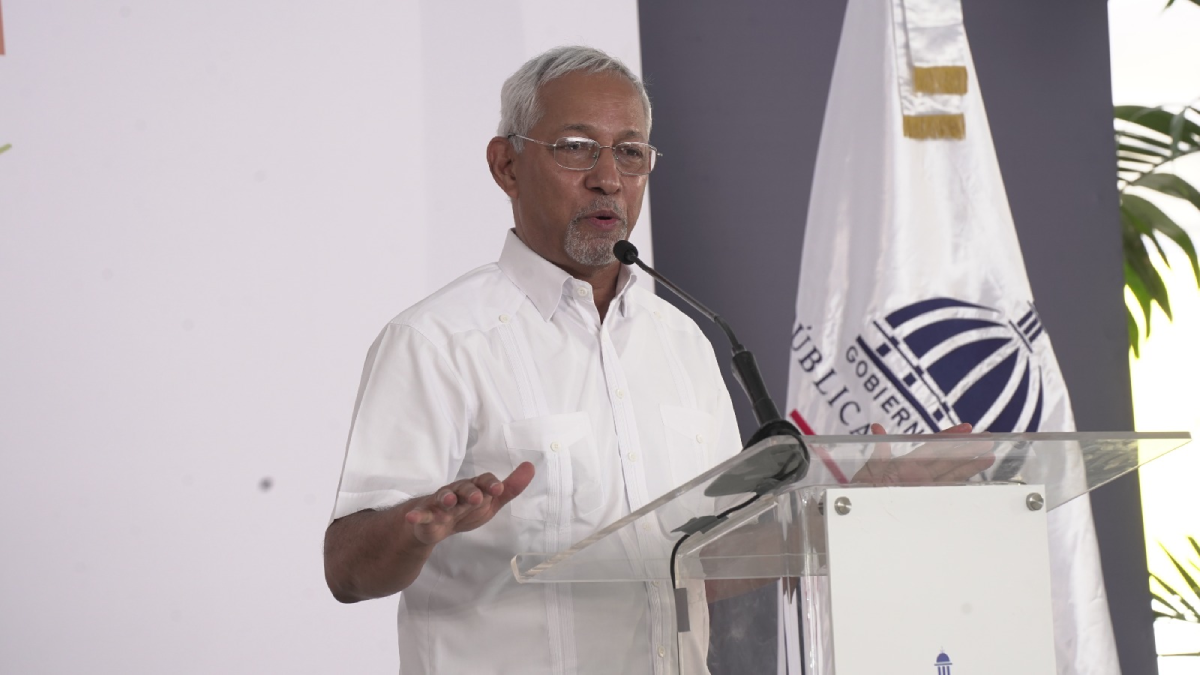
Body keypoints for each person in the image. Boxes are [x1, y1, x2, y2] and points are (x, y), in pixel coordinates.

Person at [323, 46, 743, 674]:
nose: (609, 178)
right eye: (576, 147)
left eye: (631, 153)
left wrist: (852, 499)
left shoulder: (683, 343)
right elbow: (347, 570)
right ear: (507, 165)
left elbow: (722, 568)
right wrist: (417, 528)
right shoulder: (437, 340)